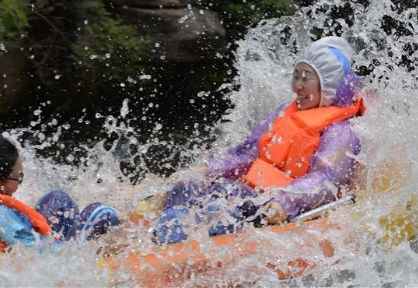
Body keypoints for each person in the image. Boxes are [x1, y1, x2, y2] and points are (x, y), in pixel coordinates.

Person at [153, 36, 364, 244]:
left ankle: (185, 237)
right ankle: (168, 227)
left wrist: (285, 201)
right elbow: (247, 154)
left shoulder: (341, 132)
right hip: (251, 191)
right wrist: (209, 169)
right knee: (188, 187)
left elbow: (327, 181)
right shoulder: (284, 112)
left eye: (305, 78)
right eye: (296, 76)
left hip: (275, 203)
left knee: (229, 195)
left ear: (328, 85)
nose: (296, 86)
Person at [0, 136, 120, 251]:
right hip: (56, 252)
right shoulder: (1, 216)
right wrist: (70, 248)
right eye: (18, 178)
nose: (19, 182)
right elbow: (37, 251)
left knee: (57, 198)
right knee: (100, 212)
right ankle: (125, 248)